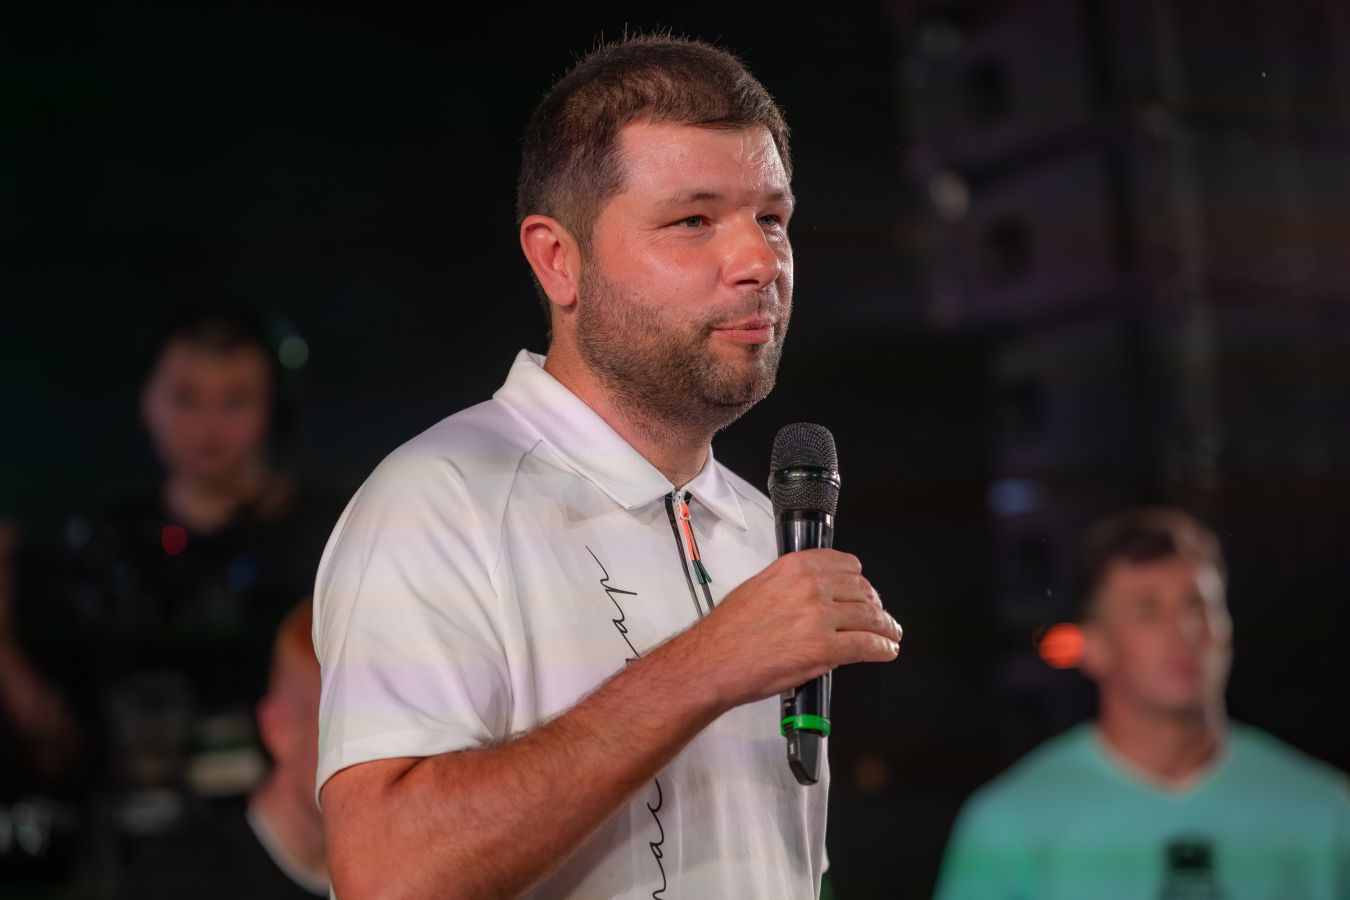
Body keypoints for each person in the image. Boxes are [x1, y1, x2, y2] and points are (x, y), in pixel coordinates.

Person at [314, 33, 903, 899]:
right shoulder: (440, 499)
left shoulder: (762, 527)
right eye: (693, 220)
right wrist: (707, 664)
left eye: (772, 218)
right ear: (559, 259)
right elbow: (387, 873)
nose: (758, 262)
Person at [935, 507, 1350, 899]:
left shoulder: (1326, 812)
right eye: (1148, 610)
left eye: (1198, 606)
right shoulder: (1009, 823)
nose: (1185, 631)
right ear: (1094, 645)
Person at [65, 308, 340, 817]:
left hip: (291, 818)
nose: (209, 426)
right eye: (186, 399)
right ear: (148, 402)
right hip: (133, 824)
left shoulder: (333, 537)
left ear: (274, 408)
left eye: (235, 401)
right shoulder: (102, 545)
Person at [117, 600, 329, 898]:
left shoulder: (388, 876)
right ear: (280, 730)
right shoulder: (178, 882)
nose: (385, 757)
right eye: (351, 733)